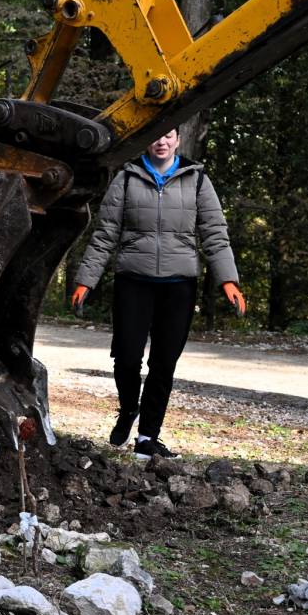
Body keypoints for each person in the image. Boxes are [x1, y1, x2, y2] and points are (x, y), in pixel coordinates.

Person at [71, 128, 245, 461]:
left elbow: (215, 235)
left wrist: (228, 281)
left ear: (178, 140)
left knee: (163, 364)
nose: (161, 142)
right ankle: (127, 410)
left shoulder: (196, 180)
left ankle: (148, 437)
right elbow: (105, 235)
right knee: (125, 356)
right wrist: (86, 281)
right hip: (133, 281)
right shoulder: (126, 178)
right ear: (146, 141)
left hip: (178, 286)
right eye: (155, 136)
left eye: (168, 136)